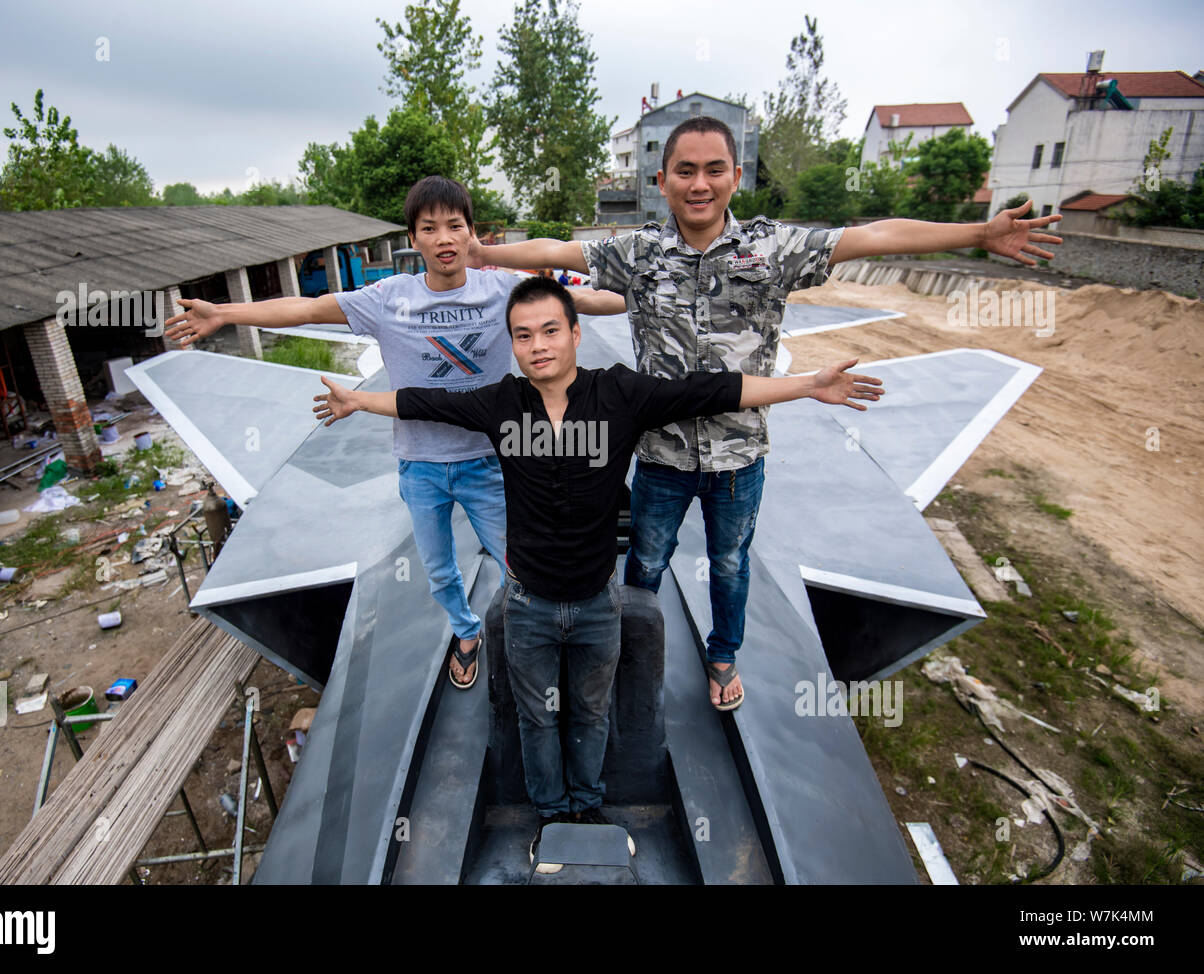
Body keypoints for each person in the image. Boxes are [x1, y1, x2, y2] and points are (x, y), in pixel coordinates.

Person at [467, 116, 1062, 711]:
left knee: (729, 564)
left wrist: (979, 232)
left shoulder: (774, 247)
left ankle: (723, 654)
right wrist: (481, 252)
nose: (699, 183)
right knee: (645, 562)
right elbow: (554, 250)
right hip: (662, 454)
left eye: (713, 170)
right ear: (663, 179)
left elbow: (874, 236)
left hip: (740, 457)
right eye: (685, 171)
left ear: (736, 176)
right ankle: (629, 650)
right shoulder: (639, 253)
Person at [312, 275, 883, 873]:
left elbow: (710, 390)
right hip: (527, 604)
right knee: (537, 720)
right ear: (512, 345)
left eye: (551, 331)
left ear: (576, 333)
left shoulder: (619, 396)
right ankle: (550, 814)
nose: (538, 345)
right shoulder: (501, 403)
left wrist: (806, 387)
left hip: (596, 603)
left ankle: (587, 808)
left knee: (590, 713)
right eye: (523, 335)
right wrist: (358, 400)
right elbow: (421, 401)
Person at [164, 176, 625, 690]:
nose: (444, 238)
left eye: (455, 226)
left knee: (517, 561)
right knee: (439, 572)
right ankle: (466, 632)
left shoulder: (505, 290)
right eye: (430, 228)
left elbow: (589, 304)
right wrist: (223, 312)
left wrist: (650, 293)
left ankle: (538, 636)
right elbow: (306, 308)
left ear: (471, 233)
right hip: (421, 464)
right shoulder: (388, 299)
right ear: (414, 238)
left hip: (491, 460)